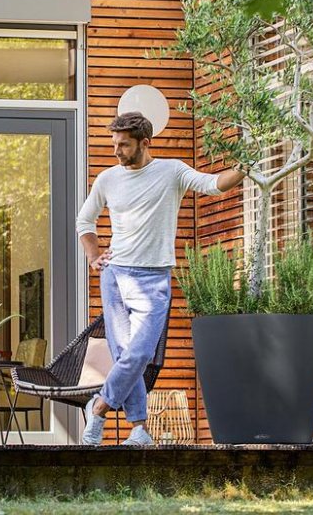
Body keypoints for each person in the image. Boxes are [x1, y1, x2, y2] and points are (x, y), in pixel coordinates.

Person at [75, 111, 244, 445]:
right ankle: (140, 429)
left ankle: (99, 407)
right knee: (125, 355)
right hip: (115, 277)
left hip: (153, 280)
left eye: (124, 145)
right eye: (114, 144)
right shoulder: (108, 179)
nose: (117, 151)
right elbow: (85, 220)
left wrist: (245, 167)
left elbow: (213, 185)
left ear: (145, 143)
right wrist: (94, 256)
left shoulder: (172, 171)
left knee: (139, 354)